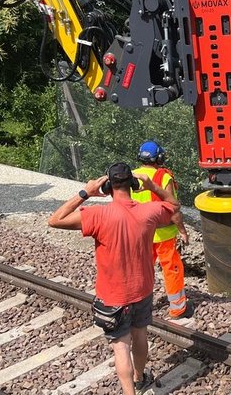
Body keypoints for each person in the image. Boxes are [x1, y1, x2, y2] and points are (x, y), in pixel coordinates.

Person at [48, 162, 179, 395]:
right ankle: (140, 377)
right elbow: (173, 205)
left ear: (108, 187)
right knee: (140, 335)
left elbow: (55, 219)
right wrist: (153, 186)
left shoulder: (97, 214)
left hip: (113, 296)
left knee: (121, 347)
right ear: (133, 185)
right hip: (143, 289)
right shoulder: (149, 211)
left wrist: (85, 193)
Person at [131, 140, 194, 320]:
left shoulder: (132, 176)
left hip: (140, 233)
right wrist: (182, 230)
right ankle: (178, 309)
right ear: (159, 157)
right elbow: (172, 208)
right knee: (172, 269)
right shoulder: (163, 177)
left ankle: (138, 304)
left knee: (142, 269)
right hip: (163, 235)